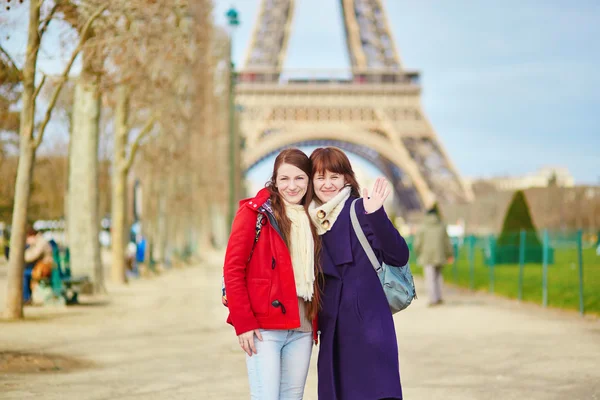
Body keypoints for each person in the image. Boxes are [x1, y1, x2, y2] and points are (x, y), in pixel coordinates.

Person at [308, 147, 410, 400]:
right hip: (332, 331)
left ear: (346, 178)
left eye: (334, 176)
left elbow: (398, 255)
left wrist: (377, 214)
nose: (327, 184)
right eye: (320, 177)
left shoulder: (360, 209)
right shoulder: (306, 221)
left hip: (369, 328)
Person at [223, 148, 321, 400]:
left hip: (302, 325)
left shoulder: (315, 219)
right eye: (284, 179)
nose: (292, 186)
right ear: (274, 181)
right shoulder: (254, 214)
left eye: (299, 178)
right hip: (263, 327)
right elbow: (233, 270)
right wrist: (243, 324)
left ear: (309, 180)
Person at [413, 207, 454, 307]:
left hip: (427, 256)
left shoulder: (423, 227)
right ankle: (439, 297)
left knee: (430, 278)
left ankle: (433, 299)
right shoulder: (441, 226)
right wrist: (449, 254)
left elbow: (417, 244)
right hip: (440, 255)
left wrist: (418, 252)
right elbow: (447, 242)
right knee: (438, 277)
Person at [23, 226, 54, 305]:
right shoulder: (39, 241)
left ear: (32, 236)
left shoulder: (40, 242)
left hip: (45, 269)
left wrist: (20, 257)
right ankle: (27, 297)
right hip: (44, 268)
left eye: (27, 238)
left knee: (24, 274)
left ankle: (26, 298)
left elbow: (33, 255)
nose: (27, 241)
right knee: (26, 272)